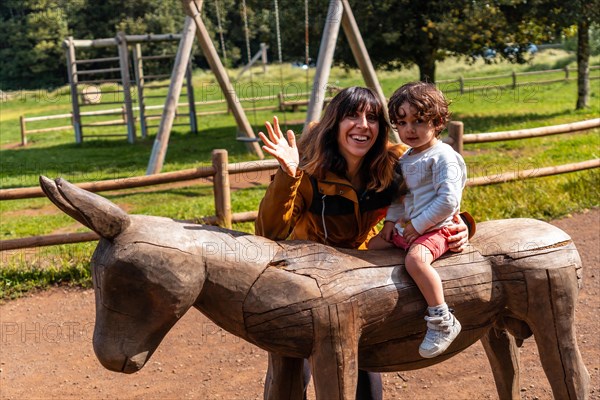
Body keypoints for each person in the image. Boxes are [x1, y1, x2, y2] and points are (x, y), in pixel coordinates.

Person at [254, 86, 472, 399]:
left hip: (362, 280)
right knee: (289, 371)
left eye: (372, 117)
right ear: (335, 124)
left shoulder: (394, 163)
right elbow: (268, 232)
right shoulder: (308, 170)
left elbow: (437, 193)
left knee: (363, 373)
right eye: (352, 116)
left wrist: (463, 223)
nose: (363, 124)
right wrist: (289, 176)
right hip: (309, 279)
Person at [368, 81, 467, 359]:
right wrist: (390, 223)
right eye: (402, 122)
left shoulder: (444, 157)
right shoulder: (406, 158)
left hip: (437, 228)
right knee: (372, 247)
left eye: (418, 121)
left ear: (437, 122)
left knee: (415, 260)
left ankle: (442, 319)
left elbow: (449, 201)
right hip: (409, 228)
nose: (409, 129)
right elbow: (401, 198)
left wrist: (418, 225)